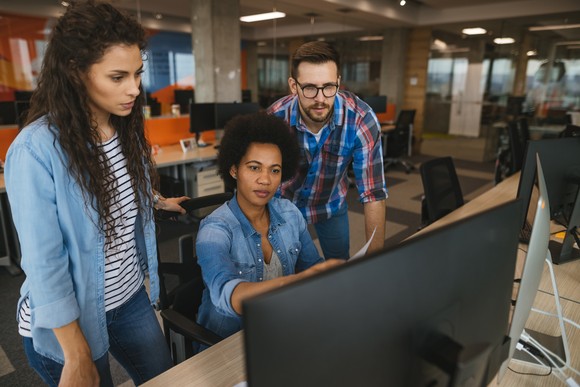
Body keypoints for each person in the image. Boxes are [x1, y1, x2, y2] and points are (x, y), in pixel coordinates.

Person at [4, 2, 188, 385]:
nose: (135, 88)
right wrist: (76, 352)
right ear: (75, 73)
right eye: (118, 76)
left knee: (166, 380)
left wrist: (155, 202)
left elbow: (119, 189)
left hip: (130, 296)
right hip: (73, 319)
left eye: (137, 74)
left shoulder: (123, 127)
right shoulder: (36, 149)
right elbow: (43, 262)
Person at [196, 113, 343, 342]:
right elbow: (227, 294)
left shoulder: (290, 214)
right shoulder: (214, 230)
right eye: (254, 168)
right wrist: (292, 282)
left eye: (274, 170)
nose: (265, 180)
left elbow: (312, 266)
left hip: (280, 329)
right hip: (227, 344)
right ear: (234, 170)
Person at [267, 41, 387, 259]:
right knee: (284, 271)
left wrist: (375, 262)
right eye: (310, 88)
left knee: (338, 265)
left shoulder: (361, 120)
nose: (321, 99)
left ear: (339, 83)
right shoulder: (275, 119)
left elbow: (373, 194)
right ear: (294, 86)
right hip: (282, 207)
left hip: (331, 203)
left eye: (329, 87)